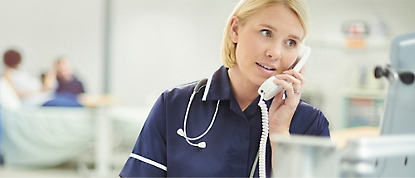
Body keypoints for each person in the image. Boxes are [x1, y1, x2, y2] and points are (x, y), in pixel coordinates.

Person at [120, 0, 330, 177]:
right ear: (235, 30)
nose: (275, 53)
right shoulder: (175, 105)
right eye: (266, 32)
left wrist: (280, 135)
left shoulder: (311, 124)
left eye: (291, 42)